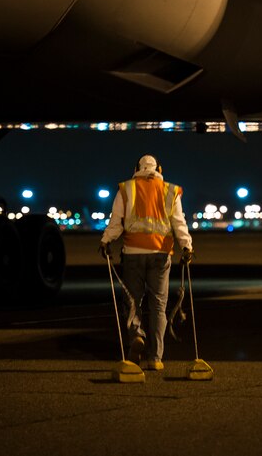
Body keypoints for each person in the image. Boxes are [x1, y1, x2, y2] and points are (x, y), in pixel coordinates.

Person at [99, 154, 194, 371]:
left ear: (137, 168)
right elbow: (179, 223)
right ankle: (155, 358)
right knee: (158, 306)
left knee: (133, 301)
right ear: (159, 168)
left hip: (132, 253)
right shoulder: (170, 190)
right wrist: (187, 246)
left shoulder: (126, 189)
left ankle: (136, 335)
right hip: (161, 254)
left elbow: (116, 222)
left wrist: (106, 241)